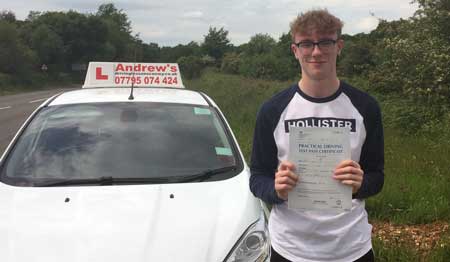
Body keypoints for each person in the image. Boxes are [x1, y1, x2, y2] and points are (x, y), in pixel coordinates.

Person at [249, 9, 384, 262]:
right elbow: (257, 178)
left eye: (325, 42)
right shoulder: (272, 110)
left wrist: (359, 185)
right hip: (291, 249)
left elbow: (377, 176)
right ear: (295, 50)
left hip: (351, 249)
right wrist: (276, 189)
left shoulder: (366, 107)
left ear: (339, 46)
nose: (316, 51)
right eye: (307, 43)